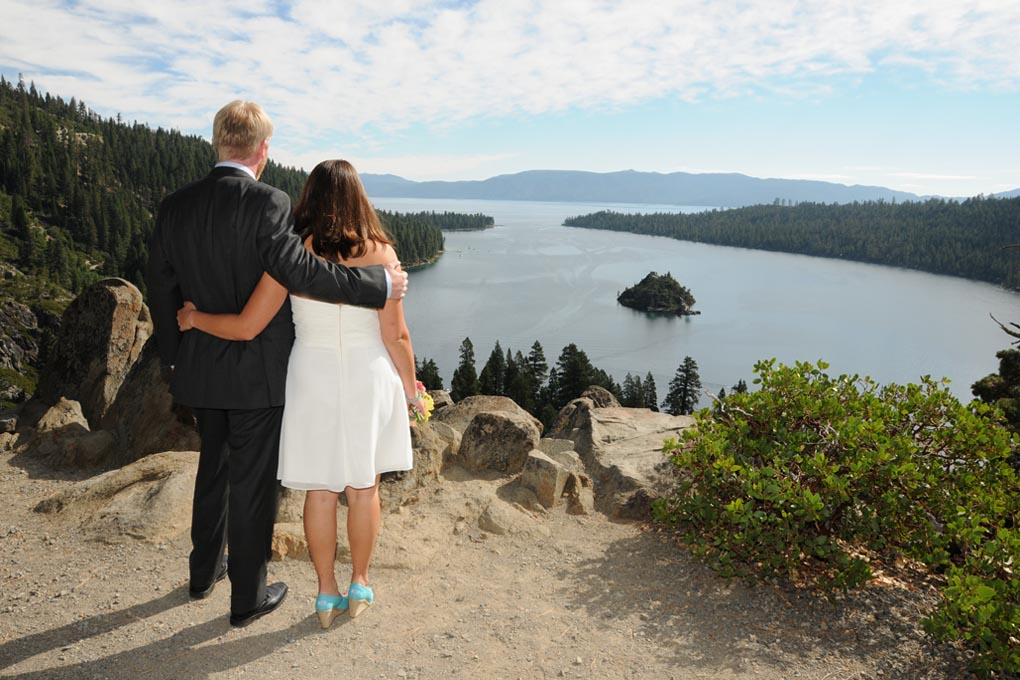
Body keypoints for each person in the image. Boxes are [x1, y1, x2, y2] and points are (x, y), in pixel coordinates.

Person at [147, 102, 408, 628]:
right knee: (261, 484)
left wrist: (179, 353)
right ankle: (252, 597)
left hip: (209, 367)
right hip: (268, 375)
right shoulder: (271, 205)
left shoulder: (174, 206)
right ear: (262, 149)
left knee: (214, 467)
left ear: (216, 141)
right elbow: (303, 275)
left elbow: (161, 287)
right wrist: (378, 287)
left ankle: (205, 574)